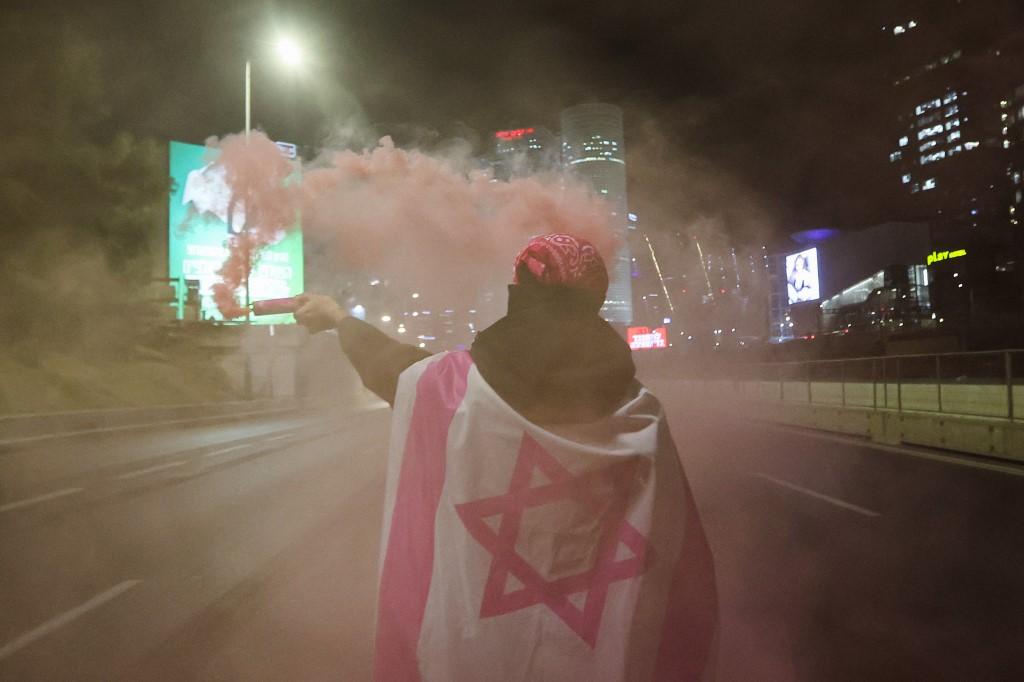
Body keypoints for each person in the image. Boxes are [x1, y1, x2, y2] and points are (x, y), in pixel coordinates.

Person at [295, 233, 717, 682]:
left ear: (522, 291)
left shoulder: (455, 391)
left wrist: (339, 319)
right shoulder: (641, 413)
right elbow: (678, 557)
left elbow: (389, 365)